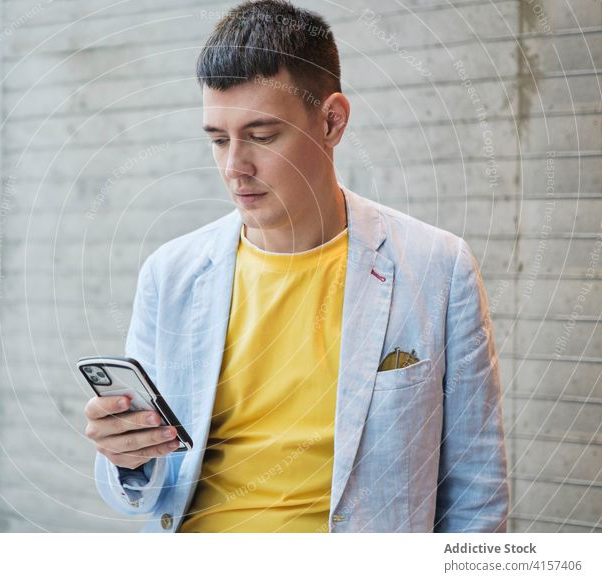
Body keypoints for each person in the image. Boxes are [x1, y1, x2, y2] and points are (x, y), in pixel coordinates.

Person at [83, 0, 508, 533]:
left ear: (331, 121)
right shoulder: (170, 275)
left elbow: (477, 494)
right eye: (218, 140)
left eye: (262, 136)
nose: (235, 166)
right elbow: (139, 497)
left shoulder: (437, 269)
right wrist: (125, 457)